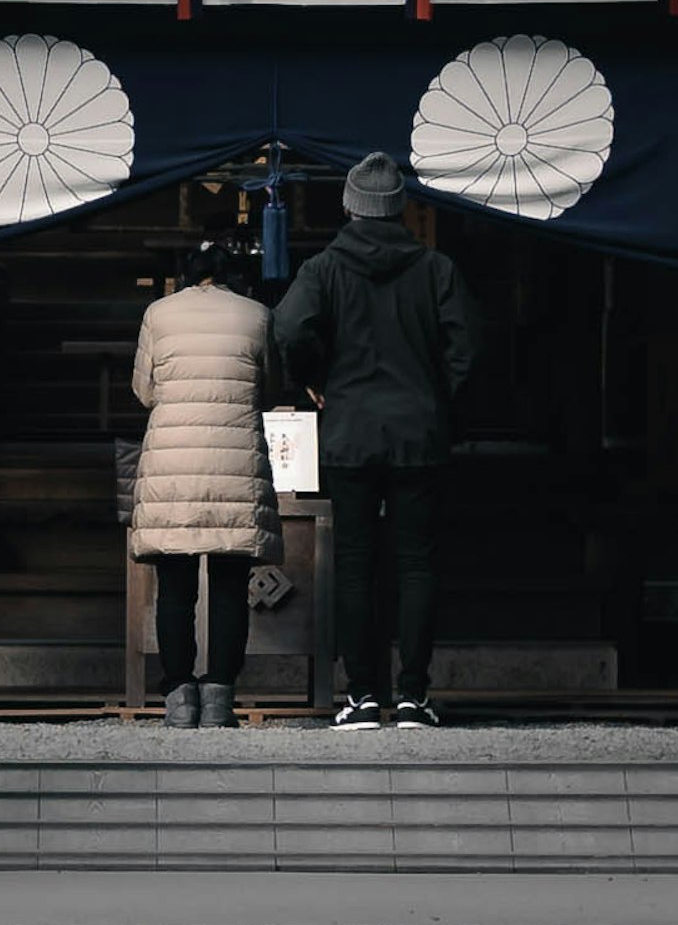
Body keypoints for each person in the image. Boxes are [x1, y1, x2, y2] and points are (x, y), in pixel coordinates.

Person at [270, 152, 482, 729]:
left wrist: (314, 378)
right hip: (419, 432)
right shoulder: (436, 269)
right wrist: (438, 398)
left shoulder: (323, 270)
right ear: (400, 209)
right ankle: (413, 696)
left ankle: (361, 696)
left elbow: (289, 327)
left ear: (349, 207)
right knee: (416, 564)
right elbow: (467, 348)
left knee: (355, 563)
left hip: (350, 429)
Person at [125, 239, 282, 729]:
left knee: (175, 587)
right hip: (235, 461)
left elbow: (144, 390)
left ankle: (178, 693)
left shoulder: (159, 313)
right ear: (232, 276)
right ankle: (219, 696)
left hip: (173, 465)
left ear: (189, 276)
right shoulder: (257, 314)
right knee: (231, 584)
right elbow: (270, 388)